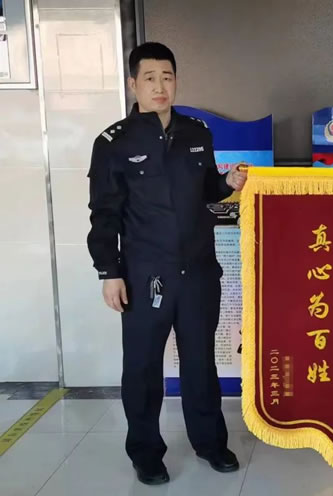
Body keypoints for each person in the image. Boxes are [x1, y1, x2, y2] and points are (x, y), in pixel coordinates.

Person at [87, 42, 247, 485]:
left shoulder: (197, 133)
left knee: (200, 362)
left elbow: (207, 189)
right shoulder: (113, 143)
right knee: (142, 367)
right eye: (150, 78)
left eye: (168, 77)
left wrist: (227, 181)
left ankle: (210, 443)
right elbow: (104, 213)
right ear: (133, 84)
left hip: (198, 272)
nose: (160, 86)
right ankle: (145, 453)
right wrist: (109, 272)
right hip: (145, 275)